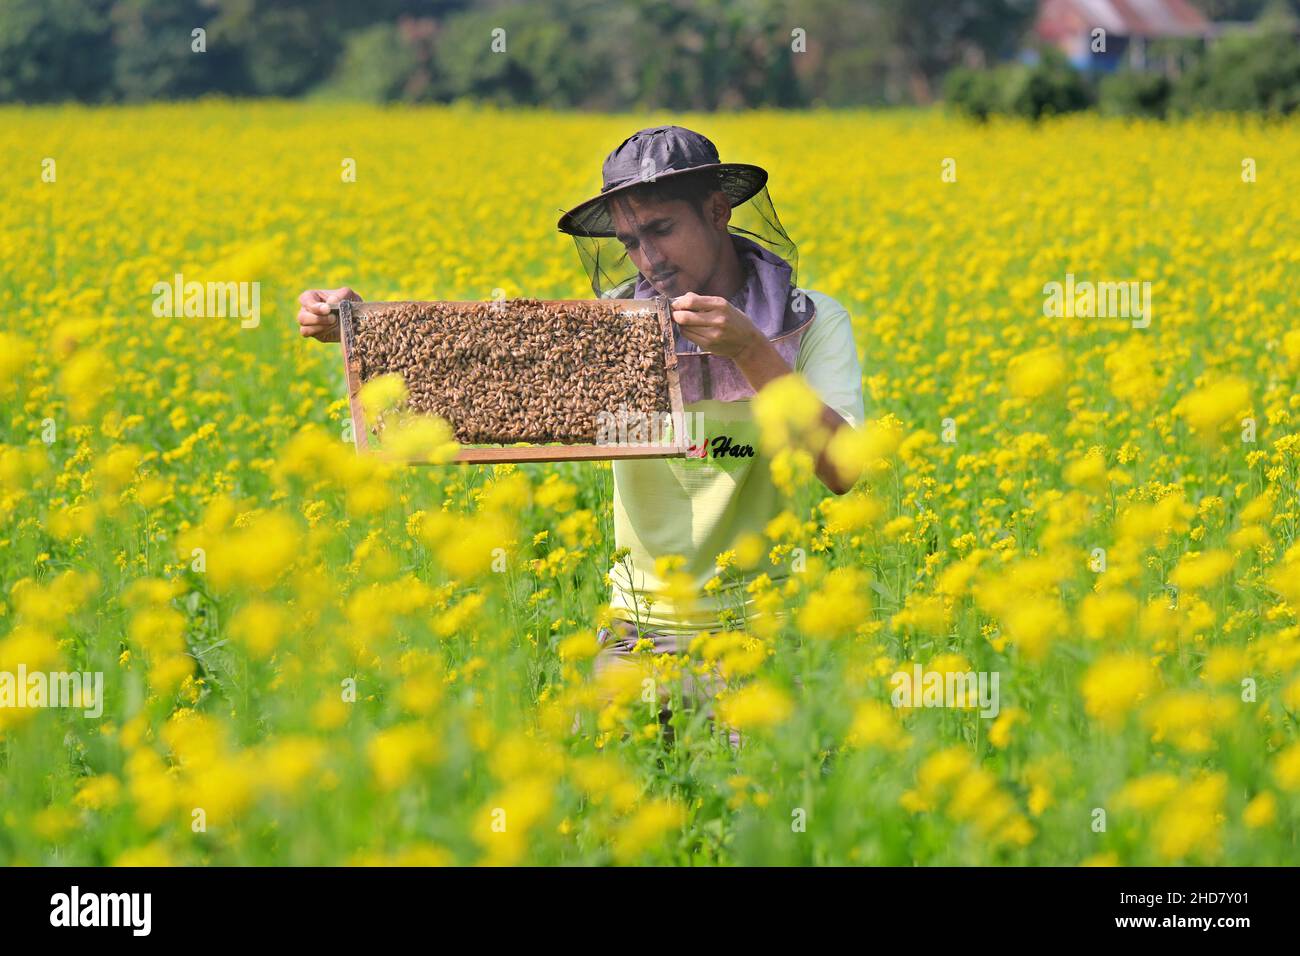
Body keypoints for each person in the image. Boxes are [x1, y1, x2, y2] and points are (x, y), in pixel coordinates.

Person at [295, 125, 866, 748]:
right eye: (631, 242)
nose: (648, 259)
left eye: (662, 230)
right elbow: (483, 374)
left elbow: (843, 470)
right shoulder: (614, 326)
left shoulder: (811, 321)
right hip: (637, 632)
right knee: (597, 813)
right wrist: (362, 331)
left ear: (718, 211)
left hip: (765, 628)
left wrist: (751, 351)